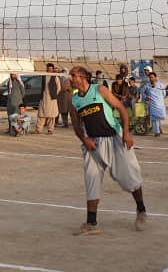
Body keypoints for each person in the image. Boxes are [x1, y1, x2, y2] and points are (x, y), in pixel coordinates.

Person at [66, 66, 147, 236]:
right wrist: (85, 140)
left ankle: (141, 210)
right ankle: (91, 223)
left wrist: (126, 133)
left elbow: (122, 109)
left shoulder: (99, 90)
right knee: (91, 179)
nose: (70, 77)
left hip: (114, 139)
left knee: (130, 178)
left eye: (73, 75)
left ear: (82, 77)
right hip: (93, 143)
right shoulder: (74, 100)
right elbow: (76, 126)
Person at [140, 70, 167, 137]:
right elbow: (142, 91)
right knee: (154, 119)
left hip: (159, 104)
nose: (151, 78)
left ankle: (158, 130)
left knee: (160, 117)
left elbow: (164, 94)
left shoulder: (160, 85)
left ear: (155, 77)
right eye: (150, 77)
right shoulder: (147, 85)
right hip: (152, 104)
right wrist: (146, 97)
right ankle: (157, 132)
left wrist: (160, 99)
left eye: (152, 77)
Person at [35, 63, 60, 135]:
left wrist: (54, 94)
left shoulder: (56, 77)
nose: (49, 70)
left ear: (52, 69)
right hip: (44, 98)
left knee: (51, 116)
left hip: (52, 99)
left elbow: (59, 88)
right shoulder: (44, 76)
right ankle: (39, 129)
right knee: (41, 114)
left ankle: (50, 130)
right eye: (48, 69)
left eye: (50, 69)